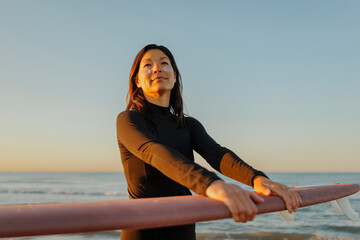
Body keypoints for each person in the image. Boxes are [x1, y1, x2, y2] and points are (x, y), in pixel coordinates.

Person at [116, 44, 301, 240]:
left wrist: (256, 178)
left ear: (175, 76)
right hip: (143, 231)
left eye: (164, 63)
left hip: (184, 228)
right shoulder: (129, 120)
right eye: (147, 65)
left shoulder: (188, 125)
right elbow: (152, 151)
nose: (157, 69)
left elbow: (217, 154)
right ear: (137, 80)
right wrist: (210, 184)